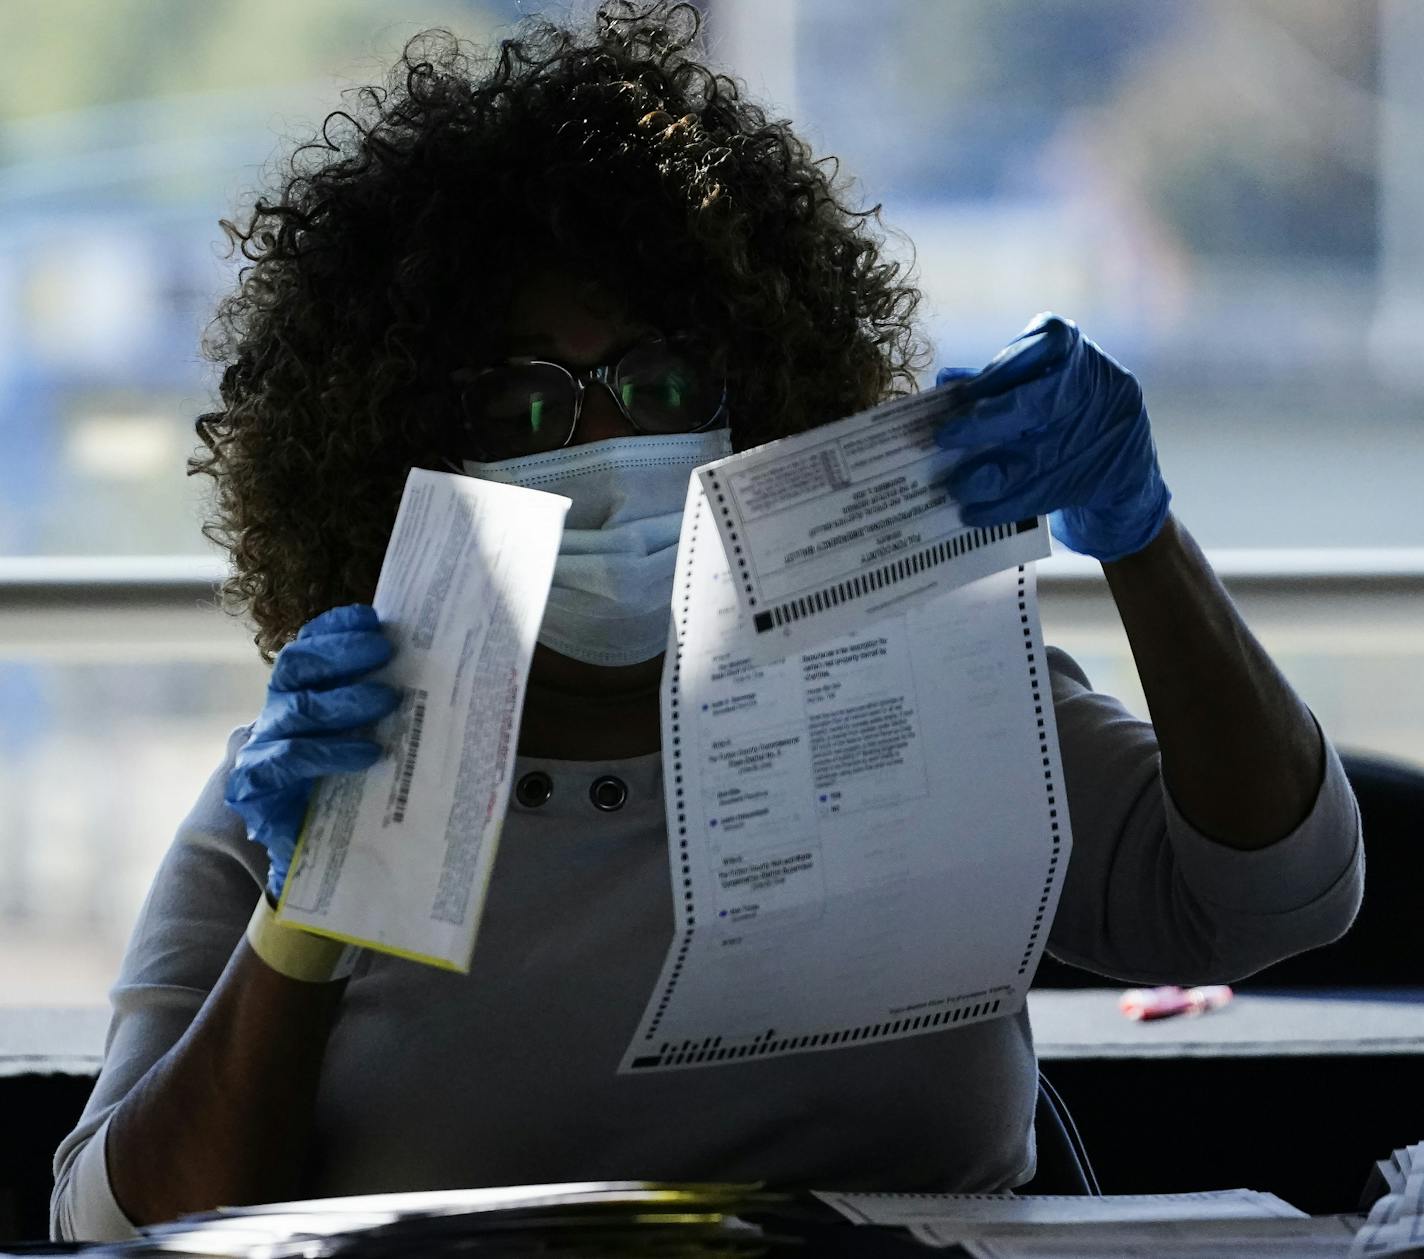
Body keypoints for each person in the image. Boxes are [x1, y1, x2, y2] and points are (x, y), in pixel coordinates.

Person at [52, 2, 1362, 1241]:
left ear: (765, 397)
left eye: (664, 381)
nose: (609, 443)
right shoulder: (308, 789)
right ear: (394, 458)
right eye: (522, 410)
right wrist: (308, 914)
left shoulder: (918, 696)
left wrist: (1142, 540)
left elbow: (1271, 895)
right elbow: (117, 1228)